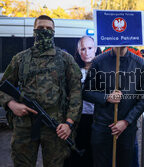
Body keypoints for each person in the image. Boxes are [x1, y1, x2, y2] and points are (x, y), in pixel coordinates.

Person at [0, 15, 82, 167]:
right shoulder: (20, 59)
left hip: (55, 125)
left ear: (54, 32)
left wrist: (69, 123)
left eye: (48, 28)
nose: (44, 31)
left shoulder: (65, 59)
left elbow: (76, 92)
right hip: (24, 125)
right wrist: (12, 105)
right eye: (40, 28)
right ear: (34, 31)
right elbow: (2, 87)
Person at [82, 47, 144, 167]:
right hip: (102, 126)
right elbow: (86, 92)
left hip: (127, 129)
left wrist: (126, 121)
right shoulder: (98, 61)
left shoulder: (140, 64)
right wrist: (106, 97)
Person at [64, 36, 97, 167]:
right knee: (75, 154)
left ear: (95, 49)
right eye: (83, 49)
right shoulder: (73, 71)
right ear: (78, 51)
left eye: (89, 48)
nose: (86, 52)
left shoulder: (103, 70)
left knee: (93, 154)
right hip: (77, 118)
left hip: (96, 118)